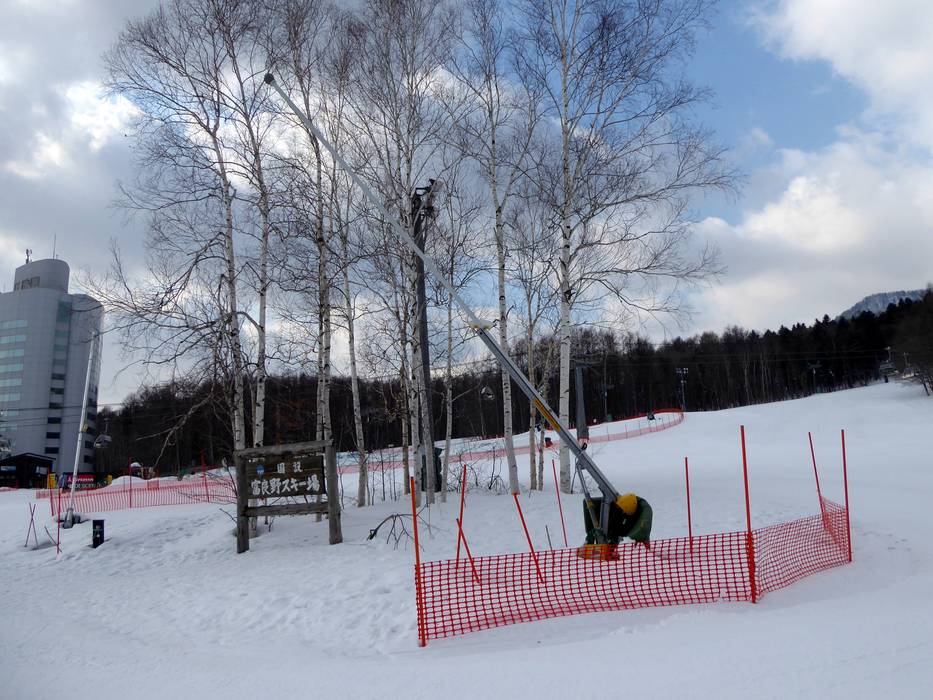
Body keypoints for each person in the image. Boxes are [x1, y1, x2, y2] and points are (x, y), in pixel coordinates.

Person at [579, 492, 653, 559]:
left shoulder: (632, 523)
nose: (620, 510)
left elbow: (620, 534)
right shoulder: (621, 513)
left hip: (621, 544)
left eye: (622, 510)